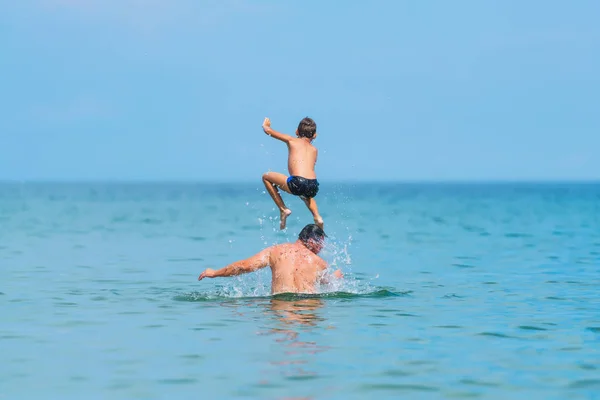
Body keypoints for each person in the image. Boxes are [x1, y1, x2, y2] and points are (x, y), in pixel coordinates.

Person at [198, 224, 342, 295]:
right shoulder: (319, 263)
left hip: (280, 310)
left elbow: (244, 266)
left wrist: (214, 273)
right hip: (309, 311)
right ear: (311, 240)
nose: (322, 248)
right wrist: (335, 277)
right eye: (320, 243)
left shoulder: (275, 251)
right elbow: (325, 282)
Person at [261, 117, 324, 230]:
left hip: (298, 182)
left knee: (266, 177)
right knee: (305, 194)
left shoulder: (291, 139)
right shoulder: (314, 150)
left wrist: (266, 125)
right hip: (313, 185)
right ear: (315, 135)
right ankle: (317, 216)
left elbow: (268, 131)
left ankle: (283, 209)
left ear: (296, 132)